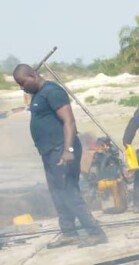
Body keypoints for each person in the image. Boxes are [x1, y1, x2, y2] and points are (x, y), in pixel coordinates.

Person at [13, 64, 108, 248]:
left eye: (22, 82)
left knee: (68, 191)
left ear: (32, 75)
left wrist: (68, 150)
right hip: (49, 152)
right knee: (57, 193)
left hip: (61, 150)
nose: (21, 87)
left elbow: (69, 122)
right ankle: (69, 232)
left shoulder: (53, 92)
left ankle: (96, 232)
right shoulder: (37, 95)